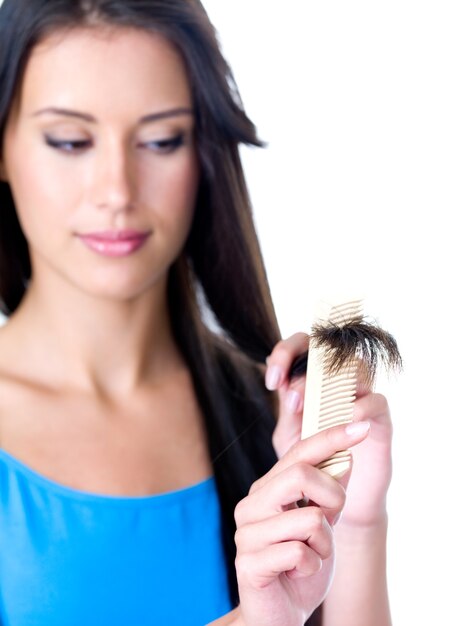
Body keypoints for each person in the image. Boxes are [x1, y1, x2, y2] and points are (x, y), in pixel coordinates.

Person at [0, 1, 393, 625]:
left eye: (161, 140)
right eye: (70, 141)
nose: (117, 191)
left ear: (202, 153)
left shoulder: (270, 417)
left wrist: (359, 522)